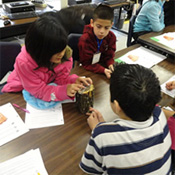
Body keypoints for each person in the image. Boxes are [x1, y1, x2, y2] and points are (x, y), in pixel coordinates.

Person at [80, 64, 172, 174]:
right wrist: (106, 130)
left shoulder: (101, 135)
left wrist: (98, 129)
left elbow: (91, 170)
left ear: (117, 106)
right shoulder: (159, 114)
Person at [1, 16, 92, 102]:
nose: (61, 54)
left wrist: (73, 80)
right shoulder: (25, 63)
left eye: (62, 48)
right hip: (18, 90)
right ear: (40, 51)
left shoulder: (65, 56)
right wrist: (63, 91)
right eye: (55, 51)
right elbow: (39, 90)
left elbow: (61, 79)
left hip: (43, 85)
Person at [78, 4, 116, 79]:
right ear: (92, 23)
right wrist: (103, 70)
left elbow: (109, 55)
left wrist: (110, 64)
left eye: (106, 28)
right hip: (88, 69)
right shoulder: (85, 39)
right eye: (98, 27)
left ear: (111, 25)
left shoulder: (111, 37)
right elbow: (87, 63)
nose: (102, 31)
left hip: (100, 65)